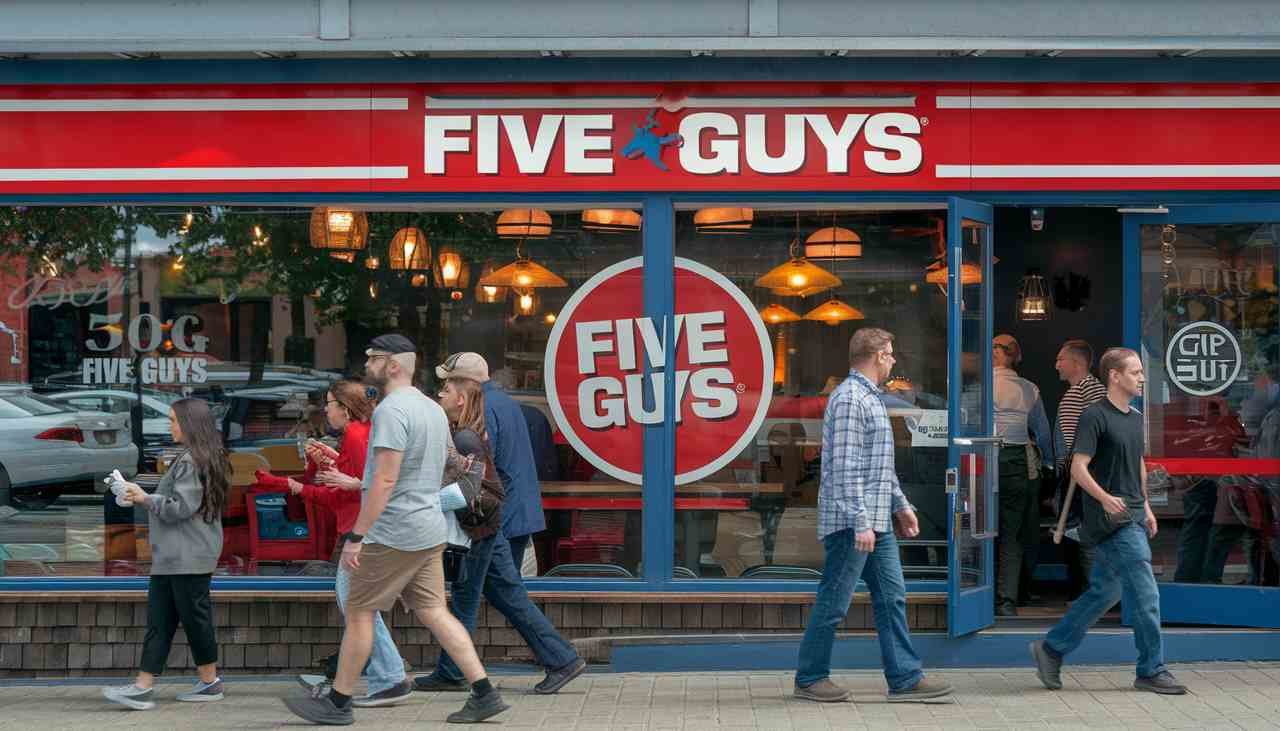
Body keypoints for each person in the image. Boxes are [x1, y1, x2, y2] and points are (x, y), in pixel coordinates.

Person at [283, 334, 508, 725]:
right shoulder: (432, 409)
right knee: (435, 611)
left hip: (393, 532)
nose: (367, 366)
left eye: (373, 359)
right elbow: (423, 469)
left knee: (358, 611)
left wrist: (357, 536)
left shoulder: (391, 411)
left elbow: (384, 481)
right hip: (428, 528)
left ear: (393, 366)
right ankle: (484, 692)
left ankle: (337, 702)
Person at [794, 328, 952, 703]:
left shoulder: (871, 398)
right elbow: (845, 467)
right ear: (878, 355)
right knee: (834, 602)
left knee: (892, 598)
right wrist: (860, 521)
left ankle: (905, 678)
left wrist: (901, 505)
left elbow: (880, 465)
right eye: (891, 354)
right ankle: (810, 677)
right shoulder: (850, 399)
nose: (894, 360)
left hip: (876, 520)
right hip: (855, 524)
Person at [415, 354, 585, 695]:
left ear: (467, 387)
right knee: (492, 591)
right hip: (512, 514)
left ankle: (561, 658)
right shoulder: (507, 402)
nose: (443, 391)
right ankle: (454, 669)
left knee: (486, 592)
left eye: (449, 384)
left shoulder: (483, 411)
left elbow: (478, 475)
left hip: (493, 519)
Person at [1030, 347, 1187, 695]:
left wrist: (1145, 506)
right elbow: (1078, 467)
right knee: (1146, 595)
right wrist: (1105, 498)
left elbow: (1137, 466)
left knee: (1105, 591)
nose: (1142, 378)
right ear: (1114, 376)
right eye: (1135, 372)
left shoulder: (1134, 416)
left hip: (1131, 514)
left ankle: (1051, 649)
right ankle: (1150, 669)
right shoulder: (1094, 416)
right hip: (1111, 520)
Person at [259, 379, 413, 707]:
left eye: (329, 403)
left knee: (357, 608)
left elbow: (360, 489)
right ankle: (386, 675)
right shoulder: (360, 434)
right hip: (363, 531)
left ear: (343, 408)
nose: (325, 409)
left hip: (360, 533)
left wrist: (296, 486)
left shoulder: (357, 436)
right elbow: (349, 486)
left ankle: (388, 677)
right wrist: (328, 463)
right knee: (360, 608)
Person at [105, 398, 230, 710]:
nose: (170, 425)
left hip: (184, 556)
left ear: (190, 424)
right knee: (169, 620)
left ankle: (206, 682)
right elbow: (180, 501)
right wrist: (141, 495)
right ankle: (147, 686)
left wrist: (144, 498)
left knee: (182, 620)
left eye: (174, 420)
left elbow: (180, 508)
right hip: (181, 556)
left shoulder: (191, 460)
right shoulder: (201, 457)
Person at [991, 333, 1054, 616]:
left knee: (976, 527)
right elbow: (1041, 432)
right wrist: (1050, 466)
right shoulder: (1029, 388)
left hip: (980, 459)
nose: (992, 351)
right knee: (1012, 532)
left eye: (995, 347)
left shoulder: (976, 386)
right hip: (1016, 461)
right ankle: (1008, 598)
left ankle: (981, 592)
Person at [1053, 339, 1108, 592]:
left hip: (1082, 473)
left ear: (1076, 363)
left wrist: (1066, 473)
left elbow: (1076, 440)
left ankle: (1090, 592)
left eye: (1060, 359)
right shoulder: (1092, 389)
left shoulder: (1082, 392)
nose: (1056, 365)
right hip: (1087, 471)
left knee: (1079, 531)